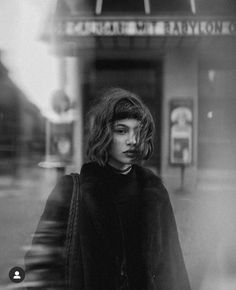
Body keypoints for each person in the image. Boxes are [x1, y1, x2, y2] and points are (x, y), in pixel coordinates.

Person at [25, 88, 191, 289]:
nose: (132, 140)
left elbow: (173, 269)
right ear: (104, 134)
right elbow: (41, 264)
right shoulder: (71, 191)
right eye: (121, 131)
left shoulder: (154, 193)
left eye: (138, 132)